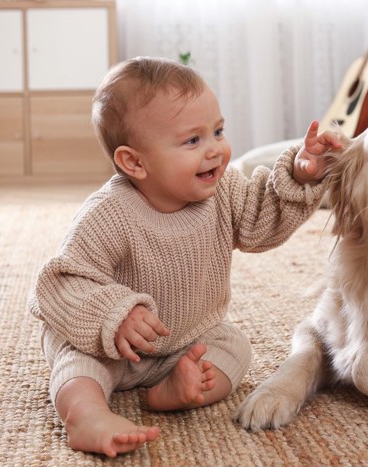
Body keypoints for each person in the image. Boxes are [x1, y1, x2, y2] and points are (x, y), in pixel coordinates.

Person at [27, 56, 342, 458]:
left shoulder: (224, 191)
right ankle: (86, 418)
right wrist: (114, 314)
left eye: (218, 131)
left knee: (235, 348)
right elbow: (60, 283)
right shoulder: (109, 214)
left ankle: (171, 391)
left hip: (185, 341)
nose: (215, 150)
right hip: (109, 346)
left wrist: (301, 177)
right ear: (134, 162)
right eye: (193, 141)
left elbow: (263, 221)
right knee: (77, 367)